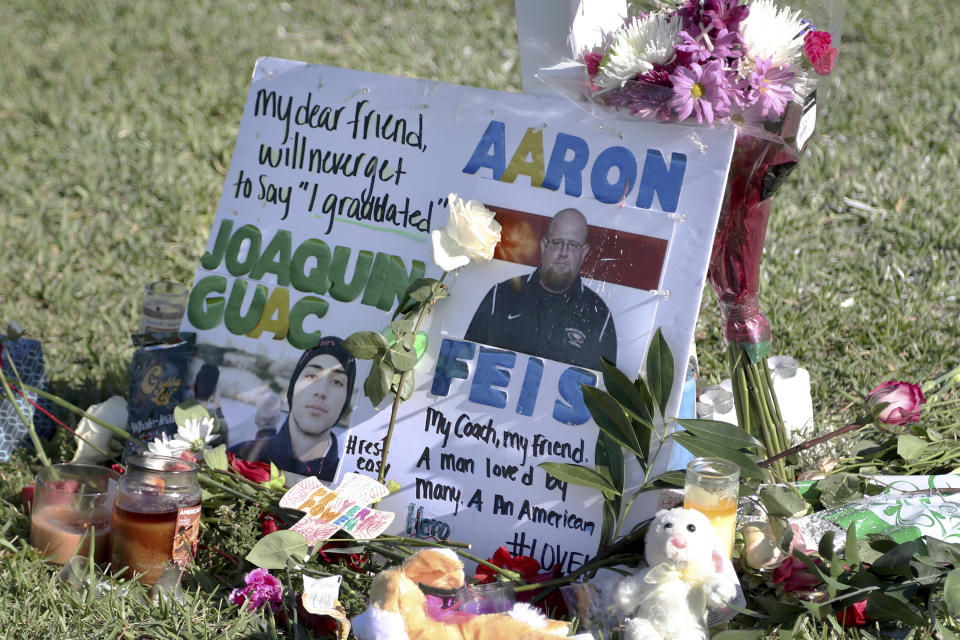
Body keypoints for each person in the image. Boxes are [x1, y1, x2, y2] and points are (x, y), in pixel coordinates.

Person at [464, 208, 617, 370]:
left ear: (584, 252)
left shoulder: (599, 316)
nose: (563, 253)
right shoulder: (501, 295)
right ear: (544, 246)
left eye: (573, 245)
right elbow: (463, 361)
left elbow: (603, 390)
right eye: (557, 243)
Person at [229, 337, 356, 481]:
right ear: (293, 387)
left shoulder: (345, 483)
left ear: (346, 398)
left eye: (337, 382)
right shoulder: (238, 458)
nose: (321, 391)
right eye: (312, 375)